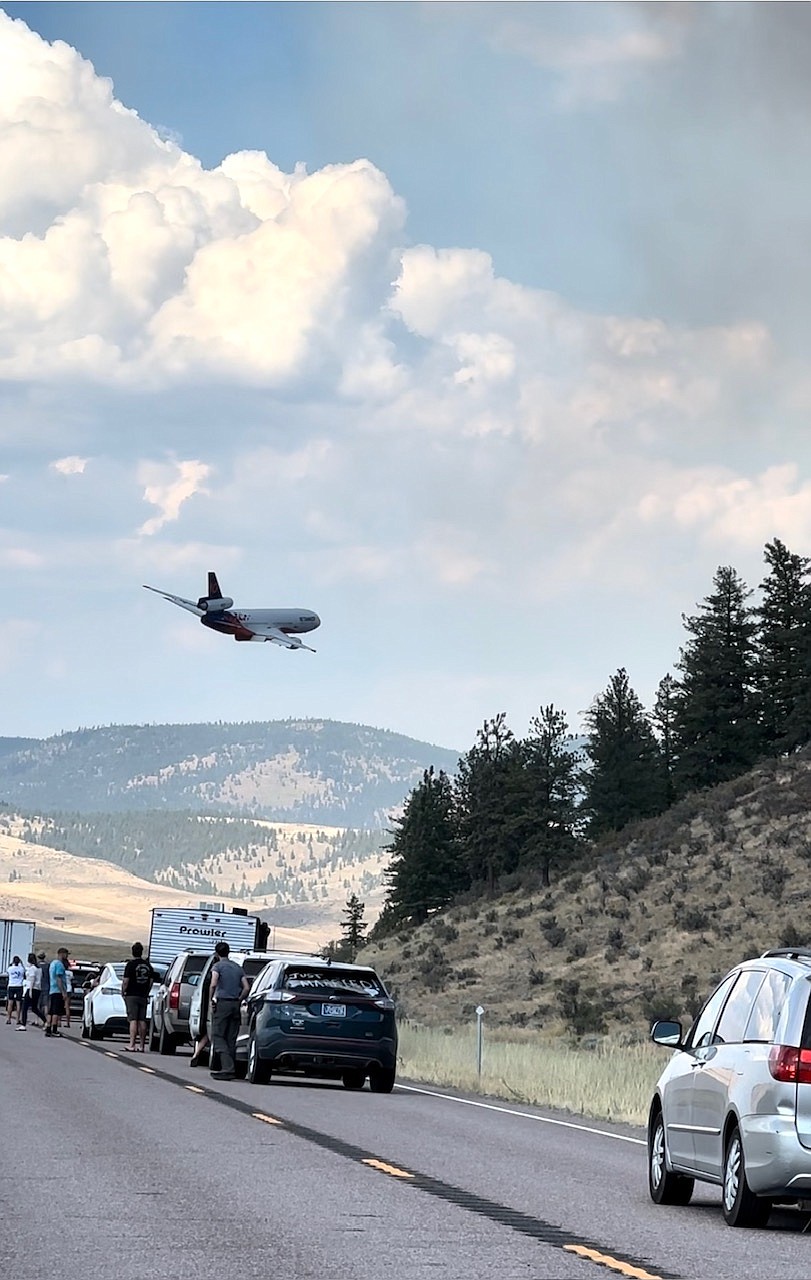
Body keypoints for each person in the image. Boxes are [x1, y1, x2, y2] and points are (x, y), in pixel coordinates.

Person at [208, 941, 249, 1080]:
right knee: (231, 1038)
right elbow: (246, 987)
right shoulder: (237, 967)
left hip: (223, 1004)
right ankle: (230, 1069)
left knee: (218, 1036)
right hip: (235, 1005)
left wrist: (211, 998)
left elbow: (213, 983)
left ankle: (227, 1067)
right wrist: (239, 999)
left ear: (216, 953)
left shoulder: (217, 966)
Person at [121, 942, 157, 1052]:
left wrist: (123, 992)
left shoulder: (130, 965)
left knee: (133, 1019)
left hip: (132, 994)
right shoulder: (148, 966)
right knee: (142, 1020)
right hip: (143, 995)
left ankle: (132, 1044)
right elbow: (151, 981)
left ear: (133, 952)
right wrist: (146, 991)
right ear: (142, 952)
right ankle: (142, 1045)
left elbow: (126, 981)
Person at [45, 948, 70, 1038]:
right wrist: (63, 992)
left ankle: (48, 1028)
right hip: (57, 991)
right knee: (56, 1011)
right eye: (66, 954)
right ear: (62, 954)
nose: (67, 956)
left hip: (52, 989)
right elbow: (59, 979)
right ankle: (54, 1029)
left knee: (51, 1011)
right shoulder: (59, 965)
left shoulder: (52, 963)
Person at [21, 952, 45, 1029]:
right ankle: (45, 1020)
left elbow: (32, 979)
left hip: (31, 988)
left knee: (24, 1007)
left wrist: (30, 991)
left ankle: (23, 1024)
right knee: (34, 1008)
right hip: (38, 989)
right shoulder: (39, 969)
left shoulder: (32, 969)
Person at [5, 955, 25, 1026]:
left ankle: (8, 1019)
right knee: (18, 1003)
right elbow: (24, 973)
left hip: (11, 986)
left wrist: (11, 964)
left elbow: (8, 971)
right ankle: (17, 1019)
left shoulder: (10, 968)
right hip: (19, 986)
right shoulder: (21, 969)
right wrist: (21, 963)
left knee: (10, 1003)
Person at [38, 952, 50, 1022]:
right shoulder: (48, 965)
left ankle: (38, 1019)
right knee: (46, 1004)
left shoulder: (37, 965)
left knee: (38, 1004)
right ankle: (46, 1019)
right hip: (47, 986)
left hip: (39, 986)